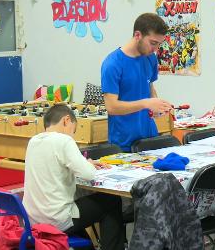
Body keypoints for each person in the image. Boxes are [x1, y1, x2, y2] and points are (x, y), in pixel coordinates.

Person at [22, 104, 125, 250]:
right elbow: (89, 174)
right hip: (56, 220)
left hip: (32, 219)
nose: (72, 135)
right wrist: (86, 164)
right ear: (66, 120)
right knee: (111, 200)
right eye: (73, 130)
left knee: (82, 207)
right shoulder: (64, 141)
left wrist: (83, 162)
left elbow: (55, 166)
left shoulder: (33, 141)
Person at [101, 13, 173, 152]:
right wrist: (146, 103)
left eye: (159, 44)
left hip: (149, 138)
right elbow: (111, 107)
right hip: (124, 144)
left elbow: (149, 86)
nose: (155, 49)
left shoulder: (150, 58)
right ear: (138, 35)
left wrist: (157, 105)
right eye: (153, 43)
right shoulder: (112, 64)